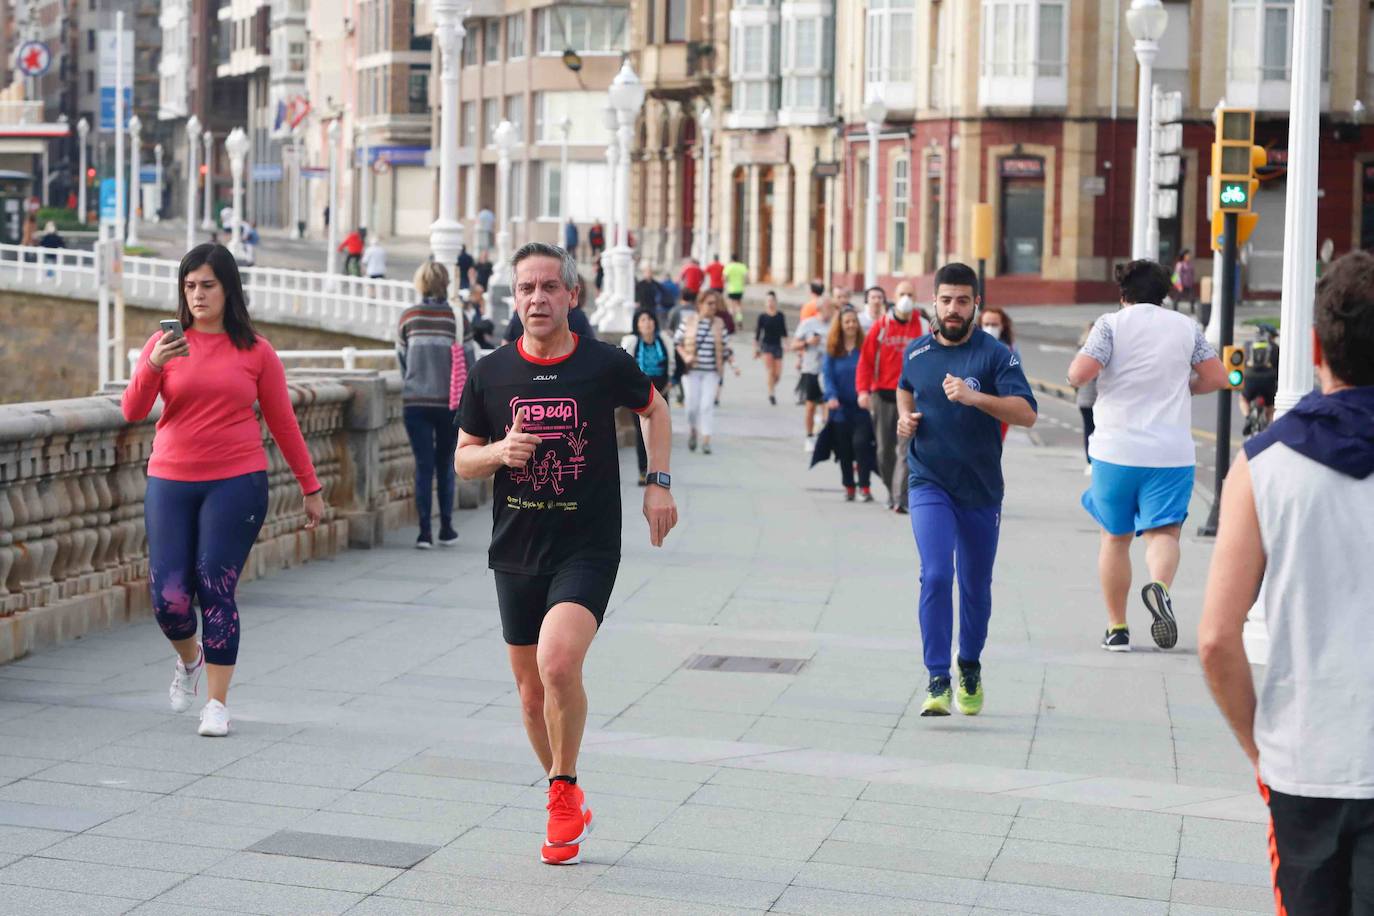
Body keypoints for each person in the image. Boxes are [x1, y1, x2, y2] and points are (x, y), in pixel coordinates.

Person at [456, 242, 677, 867]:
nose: (538, 298)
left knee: (556, 664)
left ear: (571, 296)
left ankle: (561, 789)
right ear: (515, 297)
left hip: (588, 545)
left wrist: (657, 484)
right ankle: (565, 790)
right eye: (527, 288)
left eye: (550, 287)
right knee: (529, 695)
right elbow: (463, 458)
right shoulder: (491, 372)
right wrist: (500, 453)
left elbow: (654, 410)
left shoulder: (605, 363)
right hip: (516, 548)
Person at [1198, 250, 1374, 913]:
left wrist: (1259, 748)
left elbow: (1216, 639)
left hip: (1306, 756)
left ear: (1315, 344)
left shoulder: (1264, 463)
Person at [120, 244, 326, 737]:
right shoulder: (164, 345)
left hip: (237, 480)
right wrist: (152, 364)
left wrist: (310, 486)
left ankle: (216, 703)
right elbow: (131, 411)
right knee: (169, 598)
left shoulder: (256, 350)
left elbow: (283, 422)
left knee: (215, 583)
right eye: (189, 286)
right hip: (170, 478)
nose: (197, 295)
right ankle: (189, 660)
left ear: (228, 288)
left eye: (207, 285)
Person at [896, 263, 1037, 717]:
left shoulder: (995, 356)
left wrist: (976, 398)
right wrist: (905, 418)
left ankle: (969, 665)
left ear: (976, 304)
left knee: (975, 585)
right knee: (936, 574)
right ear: (932, 303)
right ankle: (937, 678)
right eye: (945, 300)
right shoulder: (917, 352)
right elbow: (904, 389)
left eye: (962, 301)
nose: (952, 309)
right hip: (928, 480)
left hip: (980, 489)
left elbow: (1026, 413)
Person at [1067, 259, 1229, 653]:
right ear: (1165, 294)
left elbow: (1078, 374)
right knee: (1165, 532)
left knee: (1115, 538)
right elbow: (1218, 377)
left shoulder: (1110, 325)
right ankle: (1158, 586)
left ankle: (1117, 628)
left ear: (1124, 295)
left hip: (1115, 450)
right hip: (1170, 452)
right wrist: (1182, 389)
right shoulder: (1186, 327)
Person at [397, 262, 475, 549]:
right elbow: (470, 361)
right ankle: (446, 528)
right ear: (446, 284)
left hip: (415, 401)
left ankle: (423, 533)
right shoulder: (458, 319)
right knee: (445, 464)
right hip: (449, 404)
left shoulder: (409, 316)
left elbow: (401, 359)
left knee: (422, 466)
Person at [857, 280, 926, 513]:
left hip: (912, 397)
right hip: (883, 395)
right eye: (902, 293)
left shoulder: (924, 327)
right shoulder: (881, 326)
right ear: (894, 298)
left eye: (910, 293)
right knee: (884, 451)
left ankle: (900, 498)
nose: (906, 298)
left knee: (906, 450)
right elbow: (866, 361)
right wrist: (863, 391)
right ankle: (891, 489)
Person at [821, 308, 877, 502]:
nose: (851, 325)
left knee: (861, 445)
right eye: (847, 322)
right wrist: (831, 396)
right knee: (844, 449)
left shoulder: (865, 347)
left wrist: (869, 393)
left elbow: (872, 371)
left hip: (861, 407)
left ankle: (865, 486)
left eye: (854, 321)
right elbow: (827, 376)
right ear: (841, 325)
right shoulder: (833, 349)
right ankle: (849, 486)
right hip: (840, 408)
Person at [621, 310, 674, 484]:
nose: (647, 323)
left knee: (659, 433)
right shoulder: (632, 343)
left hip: (661, 391)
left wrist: (671, 381)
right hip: (638, 394)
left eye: (650, 319)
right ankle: (643, 470)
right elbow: (623, 365)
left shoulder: (664, 341)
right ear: (637, 324)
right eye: (643, 320)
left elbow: (675, 363)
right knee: (641, 433)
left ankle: (658, 471)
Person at [674, 289, 729, 454]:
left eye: (715, 304)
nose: (713, 307)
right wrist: (686, 356)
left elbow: (725, 347)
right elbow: (677, 342)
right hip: (691, 371)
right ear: (700, 304)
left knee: (706, 406)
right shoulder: (688, 321)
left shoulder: (719, 323)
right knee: (691, 405)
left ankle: (706, 439)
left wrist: (731, 360)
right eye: (709, 303)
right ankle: (692, 429)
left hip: (711, 371)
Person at [794, 296, 836, 451]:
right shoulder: (808, 324)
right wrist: (807, 342)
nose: (831, 311)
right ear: (819, 309)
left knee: (828, 403)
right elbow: (793, 345)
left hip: (830, 370)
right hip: (811, 369)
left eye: (832, 308)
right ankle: (809, 436)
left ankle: (823, 435)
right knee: (811, 405)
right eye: (828, 308)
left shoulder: (834, 324)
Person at [1239, 324, 1280, 434]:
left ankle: (1248, 418)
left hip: (1250, 378)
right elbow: (1279, 369)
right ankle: (1271, 430)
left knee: (1243, 399)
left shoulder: (1248, 345)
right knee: (1271, 406)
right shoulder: (1275, 347)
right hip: (1269, 380)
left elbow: (1241, 363)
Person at [754, 291, 787, 405]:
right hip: (766, 346)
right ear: (765, 303)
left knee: (777, 375)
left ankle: (771, 385)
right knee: (770, 371)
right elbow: (757, 335)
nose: (770, 303)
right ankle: (771, 393)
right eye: (768, 301)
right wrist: (756, 349)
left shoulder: (780, 315)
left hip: (777, 346)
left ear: (775, 302)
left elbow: (784, 332)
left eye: (772, 300)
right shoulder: (762, 317)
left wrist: (786, 344)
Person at [1074, 322, 1098, 476]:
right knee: (1097, 431)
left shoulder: (1081, 350)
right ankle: (1094, 461)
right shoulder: (1098, 352)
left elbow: (1074, 377)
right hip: (1096, 399)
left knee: (1089, 430)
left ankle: (1090, 462)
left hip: (1083, 399)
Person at [723, 254, 748, 322]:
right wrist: (743, 283)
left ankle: (730, 320)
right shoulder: (742, 266)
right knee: (738, 305)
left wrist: (728, 281)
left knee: (731, 306)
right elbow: (746, 277)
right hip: (739, 289)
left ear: (731, 259)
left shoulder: (728, 266)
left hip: (731, 289)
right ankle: (739, 319)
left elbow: (725, 278)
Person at [1171, 249, 1197, 314]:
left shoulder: (1190, 264)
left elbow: (1192, 273)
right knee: (1177, 298)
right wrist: (1178, 285)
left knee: (1192, 298)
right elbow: (1177, 275)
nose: (1189, 256)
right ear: (1184, 256)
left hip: (1189, 284)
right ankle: (1174, 310)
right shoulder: (1180, 264)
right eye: (1187, 255)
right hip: (1181, 284)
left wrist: (1192, 282)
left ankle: (1192, 311)